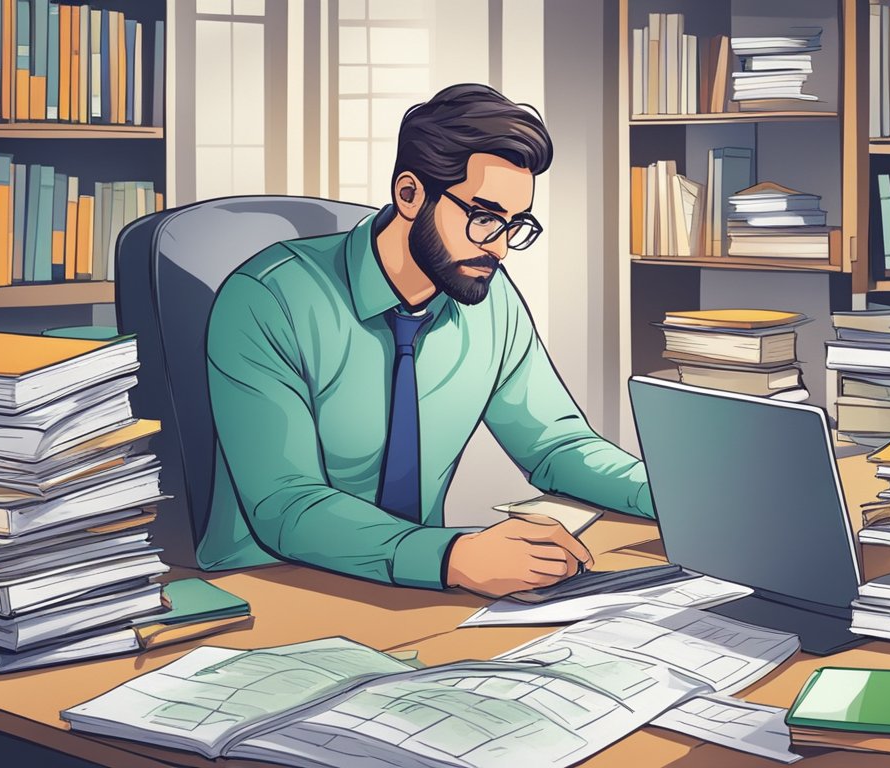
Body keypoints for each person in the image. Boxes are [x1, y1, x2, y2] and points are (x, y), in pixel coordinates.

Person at [196, 83, 653, 598]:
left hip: (420, 589)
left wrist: (675, 496)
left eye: (515, 224)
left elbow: (556, 446)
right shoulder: (268, 298)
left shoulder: (489, 299)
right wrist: (453, 556)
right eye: (483, 218)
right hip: (271, 587)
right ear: (410, 194)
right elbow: (286, 505)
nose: (500, 247)